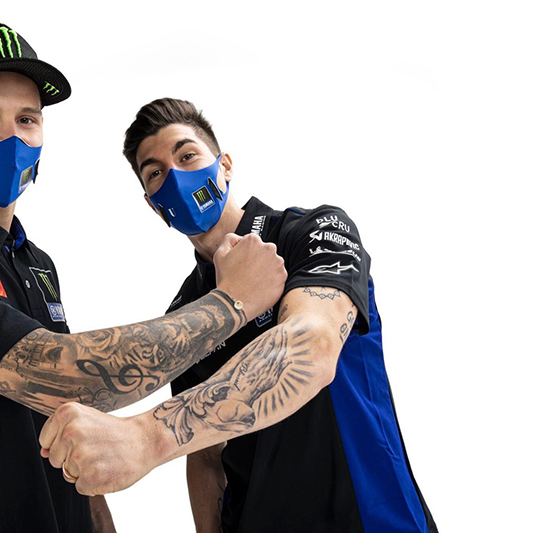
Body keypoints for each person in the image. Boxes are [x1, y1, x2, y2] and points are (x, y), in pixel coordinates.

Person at [0, 27, 287, 533]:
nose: (11, 138)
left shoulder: (36, 263)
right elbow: (64, 374)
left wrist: (99, 518)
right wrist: (232, 301)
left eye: (27, 119)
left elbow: (63, 413)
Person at [38, 98, 439, 533]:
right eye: (156, 174)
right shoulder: (186, 313)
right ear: (153, 205)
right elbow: (207, 458)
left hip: (371, 515)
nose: (175, 178)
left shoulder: (312, 232)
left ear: (224, 166)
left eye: (187, 156)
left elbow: (313, 344)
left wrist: (145, 437)